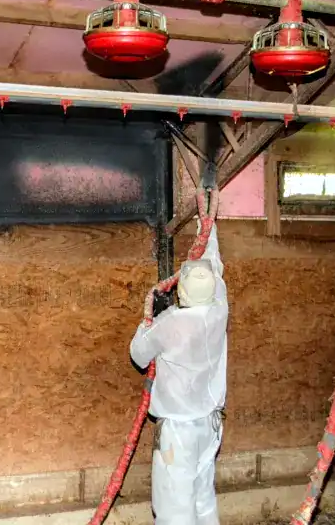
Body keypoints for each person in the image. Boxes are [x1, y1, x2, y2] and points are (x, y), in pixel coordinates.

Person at [129, 212, 228, 525]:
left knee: (175, 509)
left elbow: (138, 354)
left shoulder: (170, 322)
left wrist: (148, 321)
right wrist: (207, 227)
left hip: (179, 432)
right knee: (202, 499)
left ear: (180, 291)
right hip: (210, 424)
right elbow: (214, 265)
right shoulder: (219, 309)